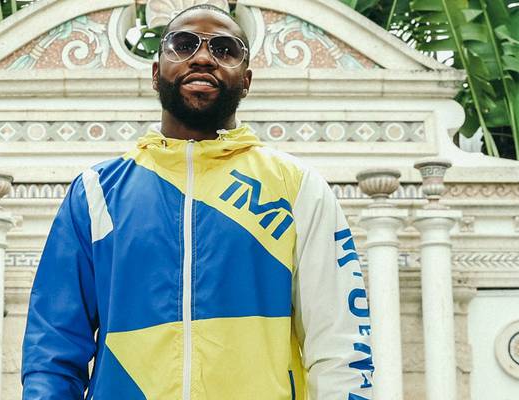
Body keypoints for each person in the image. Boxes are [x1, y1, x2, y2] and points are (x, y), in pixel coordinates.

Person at [21, 4, 373, 400]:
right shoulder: (95, 192)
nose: (203, 57)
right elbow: (52, 350)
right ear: (156, 73)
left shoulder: (298, 188)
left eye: (225, 49)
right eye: (184, 44)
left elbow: (340, 346)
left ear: (246, 81)